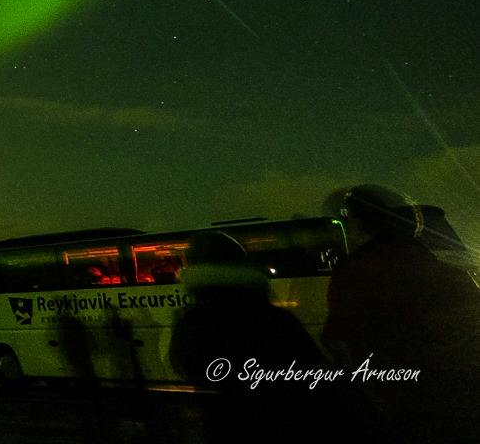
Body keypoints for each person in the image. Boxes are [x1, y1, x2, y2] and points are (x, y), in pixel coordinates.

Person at [323, 184, 480, 443]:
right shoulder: (449, 272)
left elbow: (339, 340)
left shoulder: (355, 274)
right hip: (457, 400)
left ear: (358, 224)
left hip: (396, 402)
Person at [170, 231, 326, 443]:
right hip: (289, 422)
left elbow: (187, 368)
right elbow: (311, 366)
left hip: (230, 425)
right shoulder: (280, 319)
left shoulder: (196, 322)